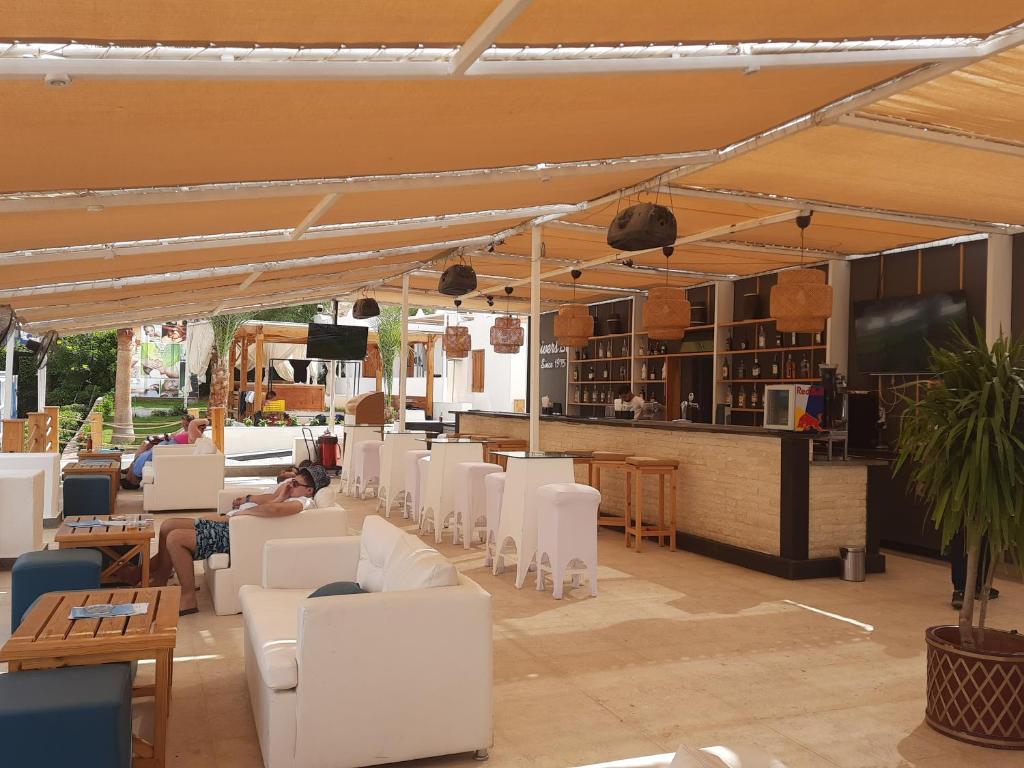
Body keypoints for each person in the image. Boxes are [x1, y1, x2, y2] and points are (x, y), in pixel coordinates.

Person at [144, 464, 332, 615]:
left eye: (296, 484)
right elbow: (270, 502)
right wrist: (278, 495)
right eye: (292, 481)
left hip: (236, 534)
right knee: (168, 525)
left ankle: (188, 598)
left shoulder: (302, 502)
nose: (290, 485)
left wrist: (241, 514)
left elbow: (272, 509)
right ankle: (160, 576)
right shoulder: (289, 495)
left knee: (176, 538)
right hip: (231, 525)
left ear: (309, 491)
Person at [122, 418, 208, 488]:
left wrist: (207, 420)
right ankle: (130, 479)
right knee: (142, 455)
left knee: (143, 457)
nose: (184, 425)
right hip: (165, 446)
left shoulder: (196, 435)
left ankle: (132, 481)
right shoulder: (190, 433)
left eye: (186, 424)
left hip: (166, 449)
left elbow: (193, 423)